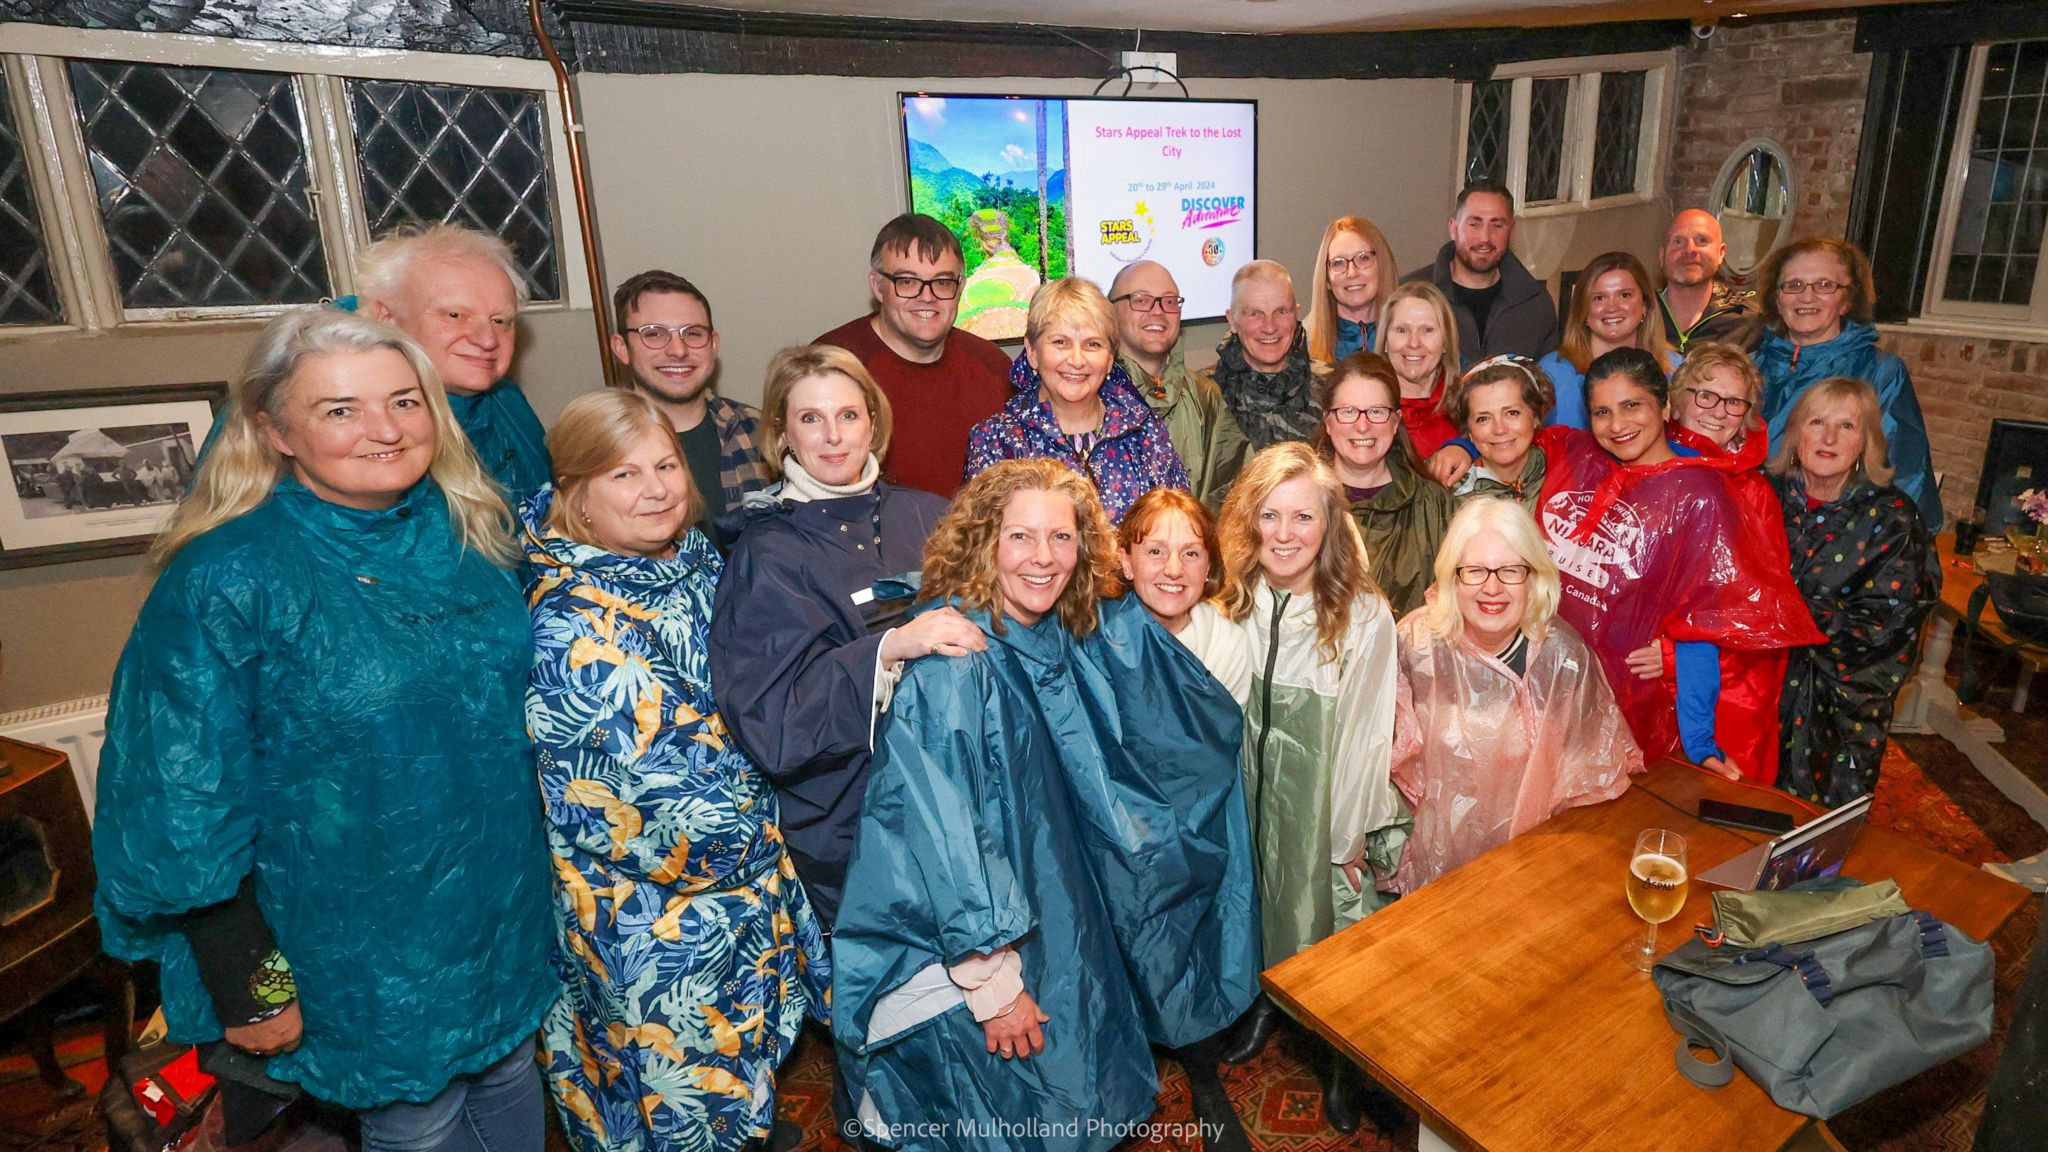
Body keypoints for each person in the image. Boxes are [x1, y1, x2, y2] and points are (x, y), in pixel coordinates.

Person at [93, 308, 555, 1152]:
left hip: (495, 906)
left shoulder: (470, 530)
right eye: (341, 409)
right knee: (420, 1117)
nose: (384, 429)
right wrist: (255, 987)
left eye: (405, 401)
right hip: (350, 941)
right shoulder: (225, 576)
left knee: (510, 1073)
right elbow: (178, 802)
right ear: (275, 432)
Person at [832, 459, 1258, 1152]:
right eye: (1021, 537)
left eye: (1061, 539)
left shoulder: (1052, 630)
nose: (1043, 558)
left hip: (1056, 920)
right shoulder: (957, 663)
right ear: (983, 542)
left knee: (1074, 1098)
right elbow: (946, 837)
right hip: (981, 948)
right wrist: (992, 984)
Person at [522, 388, 828, 1152]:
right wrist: (786, 809)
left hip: (741, 890)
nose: (656, 488)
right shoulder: (570, 624)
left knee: (738, 1075)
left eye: (664, 465)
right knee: (672, 1099)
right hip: (656, 916)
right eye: (624, 475)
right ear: (578, 497)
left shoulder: (693, 561)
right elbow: (641, 804)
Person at [709, 344, 968, 928]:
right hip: (850, 820)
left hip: (956, 796)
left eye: (848, 415)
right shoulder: (767, 554)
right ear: (782, 435)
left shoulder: (929, 516)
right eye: (811, 419)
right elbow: (771, 721)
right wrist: (888, 647)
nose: (833, 437)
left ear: (873, 424)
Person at [1213, 443, 1406, 1136]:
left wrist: (1345, 834)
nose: (1286, 534)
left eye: (1304, 517)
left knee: (1328, 920)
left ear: (1329, 525)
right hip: (1250, 788)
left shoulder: (1361, 613)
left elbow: (1365, 733)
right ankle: (1269, 1000)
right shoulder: (1238, 596)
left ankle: (1339, 1059)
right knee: (1263, 903)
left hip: (1320, 795)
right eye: (1271, 515)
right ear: (1250, 520)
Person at [1538, 348, 1820, 773]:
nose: (1617, 424)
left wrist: (1699, 741)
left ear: (1664, 406)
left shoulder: (1702, 494)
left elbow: (1704, 620)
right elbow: (1509, 432)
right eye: (1601, 411)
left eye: (1632, 405)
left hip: (1636, 705)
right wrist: (1464, 444)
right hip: (1560, 694)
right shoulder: (1588, 462)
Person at [1392, 497, 1642, 891]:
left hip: (1532, 875)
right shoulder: (1416, 645)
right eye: (1474, 571)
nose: (1492, 588)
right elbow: (1385, 771)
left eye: (1510, 570)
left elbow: (1590, 780)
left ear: (1534, 577)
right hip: (1432, 882)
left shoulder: (1565, 658)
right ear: (1452, 577)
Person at [1770, 377, 1939, 807]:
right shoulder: (1762, 495)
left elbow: (1890, 626)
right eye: (1817, 422)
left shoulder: (1893, 518)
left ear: (1866, 442)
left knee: (1813, 834)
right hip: (1755, 690)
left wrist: (1790, 613)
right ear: (1795, 434)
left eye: (1847, 426)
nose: (1828, 438)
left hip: (1839, 704)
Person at [1660, 344, 1802, 786]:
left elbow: (1759, 618)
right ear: (1677, 399)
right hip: (1641, 676)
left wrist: (1669, 657)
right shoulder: (1647, 468)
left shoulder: (1755, 495)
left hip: (1728, 689)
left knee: (1713, 816)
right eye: (1705, 395)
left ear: (1747, 415)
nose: (1718, 411)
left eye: (1734, 401)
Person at [815, 213, 1013, 497]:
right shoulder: (830, 367)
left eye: (943, 282)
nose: (927, 296)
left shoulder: (993, 369)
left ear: (961, 288)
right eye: (907, 281)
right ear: (877, 286)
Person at [1752, 236, 1942, 530]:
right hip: (1750, 530)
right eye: (1794, 285)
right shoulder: (1749, 368)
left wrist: (1906, 547)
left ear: (1846, 301)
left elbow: (1905, 472)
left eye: (1825, 285)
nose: (1807, 297)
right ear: (1777, 301)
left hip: (1839, 540)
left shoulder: (1880, 371)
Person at [965, 277, 1189, 522]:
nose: (1077, 360)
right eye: (1060, 342)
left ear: (1111, 358)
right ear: (1032, 352)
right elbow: (981, 549)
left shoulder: (1146, 433)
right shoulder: (996, 441)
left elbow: (1178, 532)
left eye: (1093, 344)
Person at [357, 222, 552, 501]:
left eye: (500, 321)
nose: (487, 340)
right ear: (386, 318)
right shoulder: (365, 431)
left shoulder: (507, 398)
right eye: (455, 316)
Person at [609, 270, 770, 546]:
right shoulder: (597, 444)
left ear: (713, 344)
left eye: (693, 334)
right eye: (655, 334)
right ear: (621, 348)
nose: (678, 350)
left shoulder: (759, 431)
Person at [1315, 352, 1452, 618]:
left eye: (1377, 412)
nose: (1363, 426)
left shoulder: (1433, 504)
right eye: (1348, 412)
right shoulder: (1300, 502)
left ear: (1395, 422)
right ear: (1328, 422)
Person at [1111, 261, 1249, 508]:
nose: (1158, 311)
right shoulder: (1093, 394)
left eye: (1169, 301)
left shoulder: (1206, 397)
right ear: (1111, 312)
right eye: (1141, 300)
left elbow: (1233, 498)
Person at [1402, 180, 1559, 365]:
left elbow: (1546, 384)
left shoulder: (1535, 303)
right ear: (1453, 229)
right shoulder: (1410, 295)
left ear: (1511, 231)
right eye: (1474, 224)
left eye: (1497, 225)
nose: (1485, 237)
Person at [1118, 487, 1252, 702]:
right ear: (1127, 563)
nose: (1173, 569)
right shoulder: (1096, 638)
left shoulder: (1227, 645)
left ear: (1208, 567)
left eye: (1190, 553)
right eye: (1156, 552)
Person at [1541, 252, 1680, 429]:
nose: (1612, 308)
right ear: (1582, 309)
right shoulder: (1552, 373)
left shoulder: (1675, 371)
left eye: (1624, 295)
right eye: (1599, 298)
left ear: (1645, 304)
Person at [1201, 260, 1322, 450]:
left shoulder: (1331, 390)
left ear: (1296, 314)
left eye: (1281, 312)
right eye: (1255, 314)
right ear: (1232, 320)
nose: (1270, 327)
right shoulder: (1204, 396)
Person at [1443, 355, 1555, 512]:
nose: (1499, 429)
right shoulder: (1446, 496)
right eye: (1483, 419)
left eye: (1512, 413)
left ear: (1536, 416)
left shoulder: (1563, 470)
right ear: (1468, 430)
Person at [1374, 281, 1465, 459]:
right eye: (1402, 330)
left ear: (1445, 342)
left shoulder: (1467, 406)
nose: (1414, 343)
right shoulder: (1364, 411)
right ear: (1385, 339)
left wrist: (1467, 447)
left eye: (1427, 330)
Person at [1658, 208, 1757, 353]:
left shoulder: (1747, 322)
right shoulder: (1641, 314)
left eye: (1702, 241)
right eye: (1678, 241)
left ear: (1720, 253)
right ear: (1662, 255)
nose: (1690, 250)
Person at [1305, 216, 1399, 362]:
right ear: (1327, 278)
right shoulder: (1301, 346)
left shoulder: (1410, 341)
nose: (1352, 273)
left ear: (1382, 266)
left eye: (1363, 258)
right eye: (1338, 263)